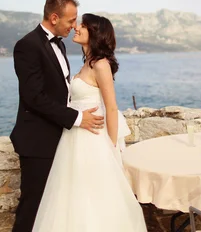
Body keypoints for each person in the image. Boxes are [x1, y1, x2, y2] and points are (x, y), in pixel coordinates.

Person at [32, 13, 147, 231]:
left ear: (94, 33)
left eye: (82, 26)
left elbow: (111, 108)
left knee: (94, 194)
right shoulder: (87, 63)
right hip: (74, 137)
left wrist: (112, 147)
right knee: (73, 195)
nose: (76, 27)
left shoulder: (101, 65)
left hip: (92, 139)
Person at [10, 0, 105, 232]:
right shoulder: (27, 46)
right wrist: (78, 117)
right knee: (33, 205)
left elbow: (61, 92)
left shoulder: (60, 45)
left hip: (60, 137)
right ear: (54, 17)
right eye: (71, 21)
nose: (74, 26)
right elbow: (34, 98)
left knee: (55, 206)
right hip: (38, 141)